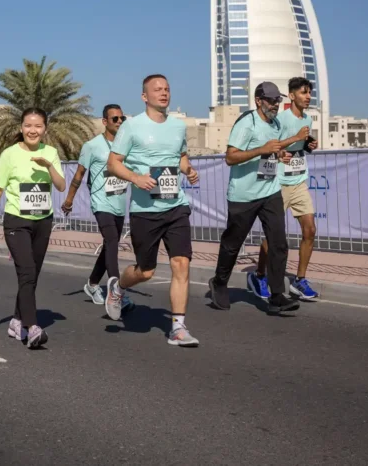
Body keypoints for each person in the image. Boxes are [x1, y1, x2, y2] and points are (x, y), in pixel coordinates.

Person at [106, 75, 201, 345]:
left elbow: (180, 157)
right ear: (144, 96)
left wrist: (189, 170)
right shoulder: (132, 126)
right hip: (145, 210)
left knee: (181, 263)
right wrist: (136, 178)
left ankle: (178, 328)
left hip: (176, 205)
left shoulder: (178, 126)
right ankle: (119, 287)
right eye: (157, 89)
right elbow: (113, 163)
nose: (164, 93)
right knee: (145, 272)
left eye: (167, 89)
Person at [0, 108, 65, 349]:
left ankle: (16, 320)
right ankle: (32, 326)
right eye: (28, 125)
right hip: (16, 221)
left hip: (43, 221)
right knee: (26, 272)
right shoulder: (10, 154)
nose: (32, 130)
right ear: (21, 128)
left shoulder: (50, 153)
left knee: (32, 275)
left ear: (45, 129)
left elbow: (60, 185)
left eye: (38, 126)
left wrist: (48, 166)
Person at [209, 82, 300, 315]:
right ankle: (219, 282)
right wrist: (261, 150)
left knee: (278, 243)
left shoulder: (276, 124)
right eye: (271, 100)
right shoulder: (246, 123)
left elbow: (272, 150)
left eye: (278, 100)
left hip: (270, 191)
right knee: (233, 243)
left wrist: (280, 154)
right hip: (244, 195)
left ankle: (277, 295)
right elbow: (230, 157)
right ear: (259, 101)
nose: (275, 105)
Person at [249, 77, 321, 301]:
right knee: (274, 236)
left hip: (299, 182)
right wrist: (295, 138)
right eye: (303, 93)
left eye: (309, 93)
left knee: (310, 230)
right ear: (291, 96)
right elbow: (273, 146)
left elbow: (299, 147)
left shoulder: (307, 118)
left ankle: (300, 280)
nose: (308, 97)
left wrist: (308, 144)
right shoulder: (280, 119)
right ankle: (259, 275)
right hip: (278, 184)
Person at [62, 104, 132, 311]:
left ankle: (92, 284)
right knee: (111, 241)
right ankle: (116, 292)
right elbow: (79, 174)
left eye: (122, 118)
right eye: (115, 119)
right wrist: (69, 200)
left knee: (110, 244)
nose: (119, 122)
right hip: (101, 202)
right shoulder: (92, 146)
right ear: (104, 122)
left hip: (119, 202)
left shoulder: (126, 146)